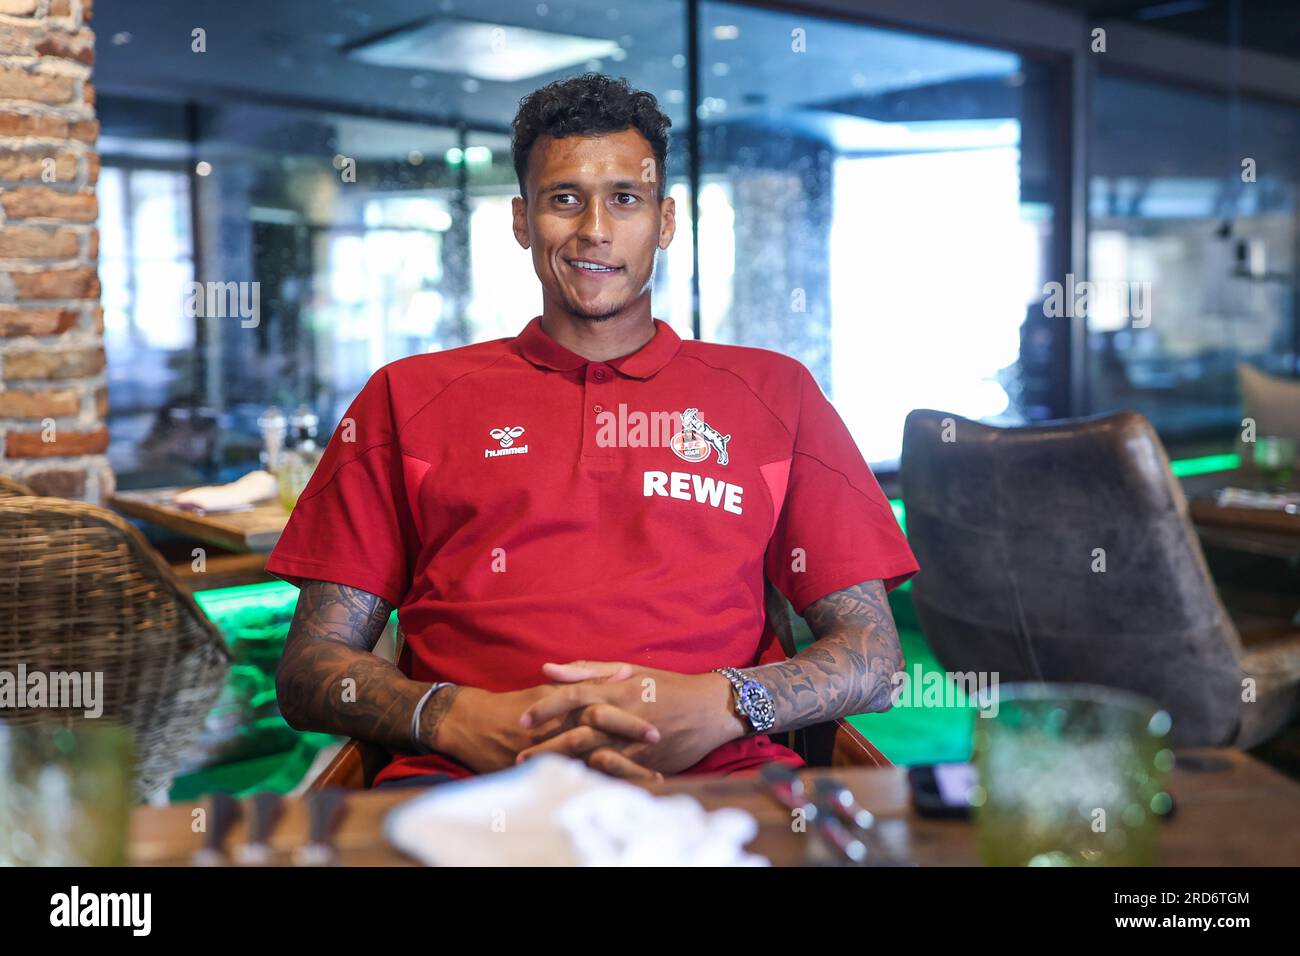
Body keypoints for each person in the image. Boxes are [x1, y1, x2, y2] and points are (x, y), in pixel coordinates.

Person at [269, 73, 918, 788]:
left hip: (724, 784)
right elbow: (310, 668)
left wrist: (722, 705)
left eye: (626, 199)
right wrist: (450, 715)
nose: (595, 230)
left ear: (665, 222)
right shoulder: (407, 395)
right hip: (462, 789)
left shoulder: (775, 392)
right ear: (522, 220)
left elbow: (875, 656)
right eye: (565, 199)